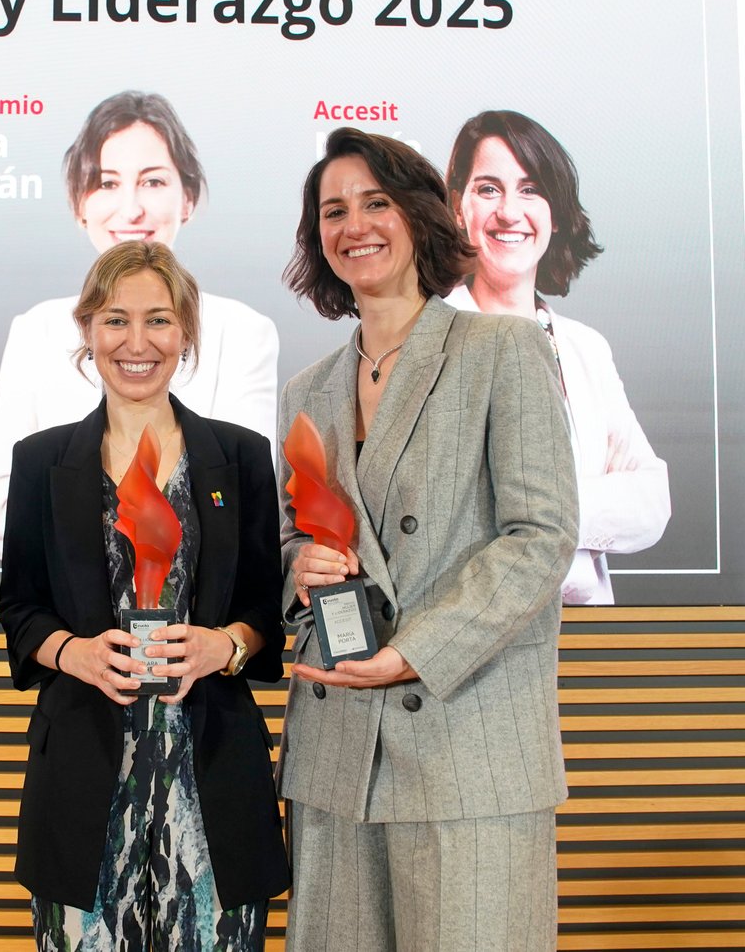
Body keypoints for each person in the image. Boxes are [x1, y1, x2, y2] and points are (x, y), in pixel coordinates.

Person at [278, 128, 578, 951]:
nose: (354, 225)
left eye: (375, 202)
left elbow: (542, 535)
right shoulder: (306, 390)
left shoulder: (503, 348)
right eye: (333, 210)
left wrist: (414, 651)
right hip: (337, 760)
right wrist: (300, 567)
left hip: (465, 746)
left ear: (419, 214)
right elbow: (287, 542)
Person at [0, 241, 289, 951]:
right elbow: (20, 607)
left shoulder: (240, 457)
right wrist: (71, 652)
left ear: (186, 331)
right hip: (83, 778)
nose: (137, 342)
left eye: (158, 319)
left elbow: (265, 609)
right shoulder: (41, 461)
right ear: (87, 330)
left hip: (211, 779)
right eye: (115, 319)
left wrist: (227, 645)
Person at [0, 90, 280, 559]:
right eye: (107, 182)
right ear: (79, 204)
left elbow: (240, 506)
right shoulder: (36, 329)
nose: (131, 208)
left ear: (188, 198)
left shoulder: (243, 331)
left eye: (153, 181)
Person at [444, 109, 670, 605]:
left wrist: (527, 512)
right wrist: (581, 503)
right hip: (470, 628)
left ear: (556, 212)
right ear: (458, 207)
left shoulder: (586, 347)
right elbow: (439, 516)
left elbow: (652, 502)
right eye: (488, 189)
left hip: (587, 632)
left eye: (530, 189)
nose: (509, 212)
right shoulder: (428, 342)